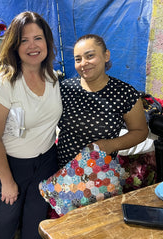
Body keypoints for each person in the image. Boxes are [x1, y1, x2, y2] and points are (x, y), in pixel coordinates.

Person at [0, 11, 62, 239]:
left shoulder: (53, 78)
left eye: (38, 38)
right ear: (14, 46)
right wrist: (7, 181)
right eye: (24, 40)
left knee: (34, 235)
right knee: (2, 236)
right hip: (12, 167)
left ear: (47, 42)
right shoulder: (4, 82)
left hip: (46, 164)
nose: (32, 46)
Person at [57, 34, 148, 168]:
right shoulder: (65, 88)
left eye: (90, 56)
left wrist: (111, 145)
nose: (83, 63)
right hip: (62, 171)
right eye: (78, 59)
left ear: (106, 55)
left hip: (100, 176)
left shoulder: (125, 93)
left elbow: (140, 131)